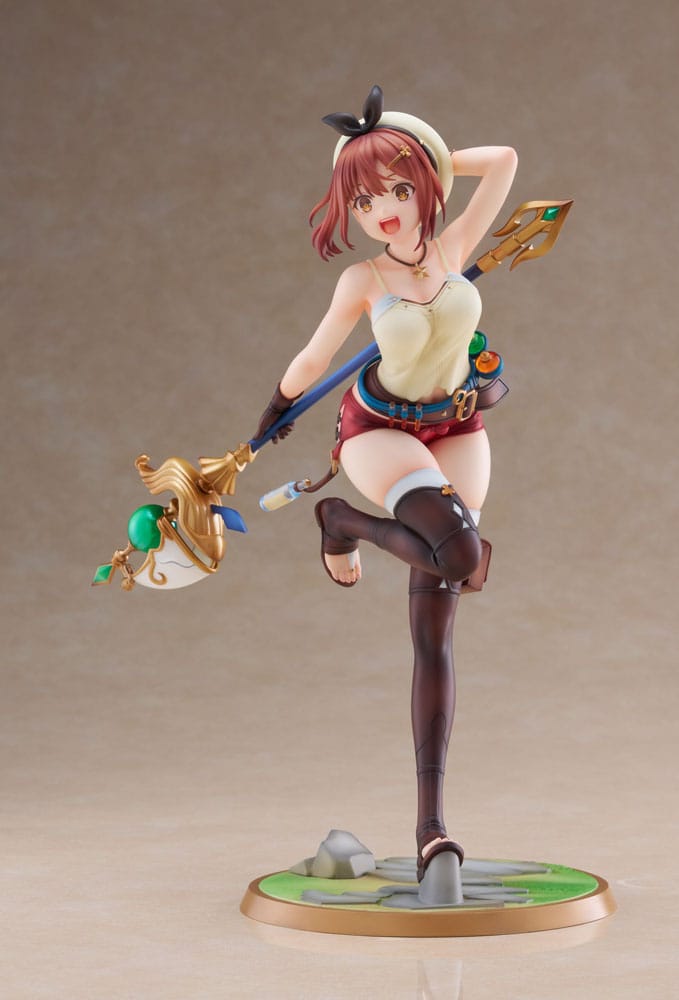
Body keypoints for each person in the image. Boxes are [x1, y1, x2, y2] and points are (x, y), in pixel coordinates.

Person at [254, 86, 517, 884]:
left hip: (456, 427)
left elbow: (504, 161)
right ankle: (342, 519)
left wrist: (425, 154)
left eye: (398, 190)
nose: (385, 212)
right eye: (364, 201)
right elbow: (316, 355)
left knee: (439, 619)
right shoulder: (363, 279)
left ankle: (431, 827)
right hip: (379, 431)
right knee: (460, 552)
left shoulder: (456, 243)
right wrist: (278, 406)